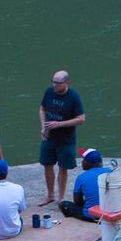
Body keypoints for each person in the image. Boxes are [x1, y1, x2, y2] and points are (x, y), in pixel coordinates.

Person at [36, 70, 86, 206]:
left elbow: (81, 119)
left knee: (63, 168)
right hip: (49, 137)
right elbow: (42, 109)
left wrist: (59, 124)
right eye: (53, 82)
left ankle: (61, 198)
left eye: (58, 83)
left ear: (66, 82)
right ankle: (50, 194)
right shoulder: (49, 92)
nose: (54, 85)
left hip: (66, 139)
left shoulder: (73, 97)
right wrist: (43, 127)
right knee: (47, 165)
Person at [72, 148, 112, 214]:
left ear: (88, 163)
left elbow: (77, 202)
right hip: (111, 211)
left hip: (92, 215)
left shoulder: (81, 177)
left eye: (84, 160)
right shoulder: (110, 171)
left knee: (65, 205)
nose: (82, 162)